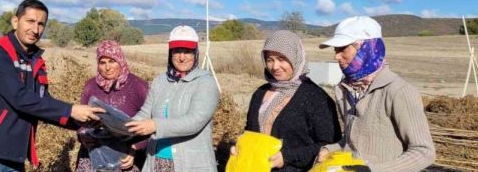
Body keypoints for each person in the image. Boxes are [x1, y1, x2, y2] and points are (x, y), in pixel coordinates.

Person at [0, 0, 104, 172]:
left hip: (13, 155)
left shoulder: (34, 61)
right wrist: (71, 109)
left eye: (41, 24)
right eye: (30, 21)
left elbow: (42, 102)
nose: (35, 30)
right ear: (15, 21)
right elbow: (20, 97)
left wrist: (81, 122)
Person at [318, 16, 435, 172]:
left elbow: (424, 151)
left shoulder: (398, 91)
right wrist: (330, 149)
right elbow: (354, 140)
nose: (336, 56)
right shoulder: (345, 89)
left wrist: (373, 170)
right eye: (335, 49)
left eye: (342, 48)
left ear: (366, 48)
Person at [236, 30, 341, 171]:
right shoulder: (260, 93)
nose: (275, 67)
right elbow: (251, 134)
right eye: (269, 60)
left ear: (295, 57)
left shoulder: (316, 97)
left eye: (281, 59)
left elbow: (330, 145)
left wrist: (287, 156)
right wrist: (241, 148)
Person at [126, 25, 220, 172]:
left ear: (196, 53)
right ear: (170, 53)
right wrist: (124, 126)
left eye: (187, 52)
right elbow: (145, 113)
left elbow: (194, 121)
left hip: (191, 164)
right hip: (157, 161)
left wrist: (156, 125)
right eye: (177, 51)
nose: (182, 58)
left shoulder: (205, 83)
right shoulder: (160, 81)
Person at [75, 40, 150, 172]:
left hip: (126, 158)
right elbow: (81, 124)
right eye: (102, 62)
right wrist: (83, 136)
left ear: (120, 60)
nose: (107, 67)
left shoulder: (139, 86)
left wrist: (135, 148)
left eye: (112, 61)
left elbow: (152, 125)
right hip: (94, 156)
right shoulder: (90, 87)